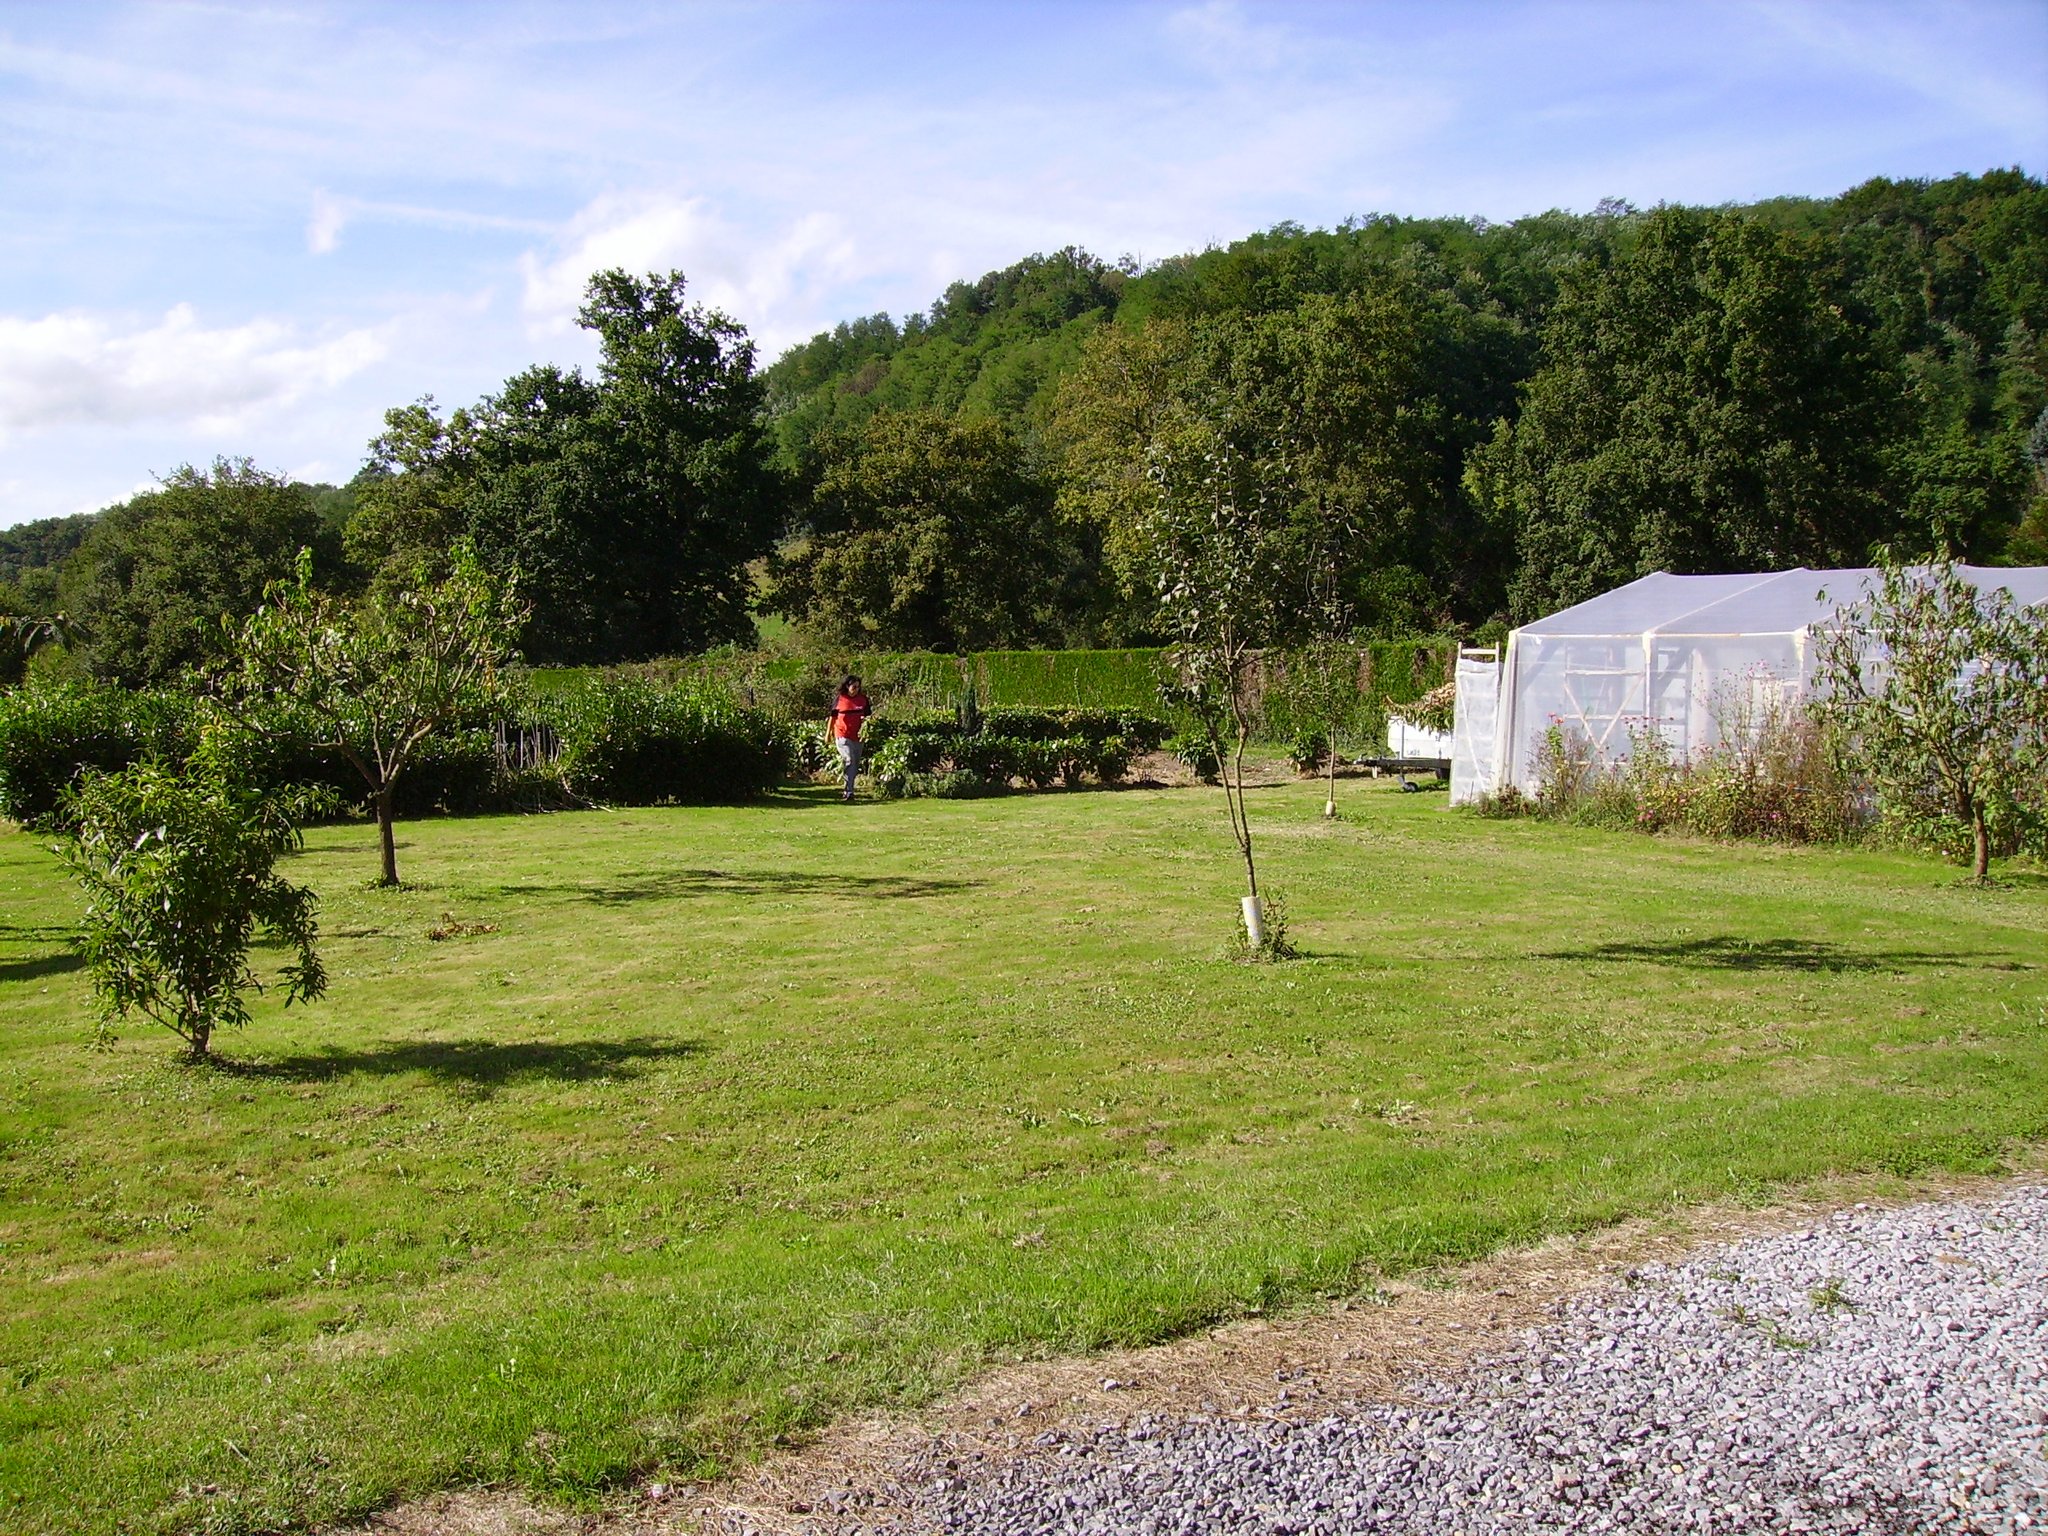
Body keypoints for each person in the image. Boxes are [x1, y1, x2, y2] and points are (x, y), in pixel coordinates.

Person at [830, 674, 871, 801]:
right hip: (842, 735)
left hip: (858, 736)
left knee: (855, 763)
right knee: (849, 760)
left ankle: (848, 789)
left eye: (858, 687)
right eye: (854, 687)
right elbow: (832, 717)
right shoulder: (840, 699)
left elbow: (868, 717)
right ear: (847, 686)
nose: (856, 689)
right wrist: (828, 734)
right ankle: (849, 792)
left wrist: (867, 728)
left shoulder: (863, 700)